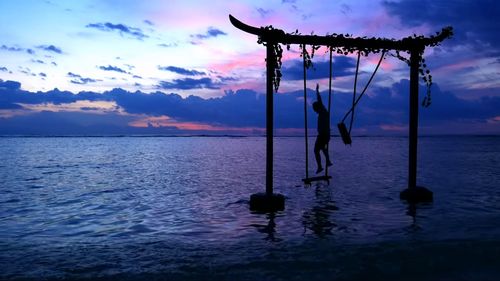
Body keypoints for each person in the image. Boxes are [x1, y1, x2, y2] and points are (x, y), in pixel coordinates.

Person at [312, 84, 332, 174]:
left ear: (317, 108)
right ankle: (328, 161)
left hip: (323, 134)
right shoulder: (322, 112)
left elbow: (319, 100)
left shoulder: (323, 111)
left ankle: (320, 166)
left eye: (314, 109)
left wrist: (317, 91)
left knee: (316, 150)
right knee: (323, 148)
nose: (314, 111)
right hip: (325, 134)